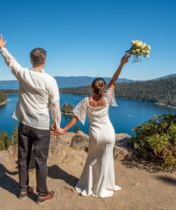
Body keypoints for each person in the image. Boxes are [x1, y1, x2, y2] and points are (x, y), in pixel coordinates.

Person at [0, 34, 61, 203]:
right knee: (41, 161)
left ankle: (23, 190)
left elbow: (11, 61)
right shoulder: (50, 80)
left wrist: (2, 47)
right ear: (44, 60)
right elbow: (55, 105)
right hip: (41, 126)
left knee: (23, 158)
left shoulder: (23, 74)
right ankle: (41, 194)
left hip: (24, 123)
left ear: (31, 60)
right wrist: (56, 123)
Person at [54, 53, 130, 197]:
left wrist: (63, 129)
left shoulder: (86, 101)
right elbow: (114, 80)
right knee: (106, 159)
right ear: (103, 88)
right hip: (109, 133)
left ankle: (91, 186)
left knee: (92, 160)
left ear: (91, 87)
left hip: (96, 135)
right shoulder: (107, 97)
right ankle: (106, 185)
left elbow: (76, 118)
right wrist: (122, 64)